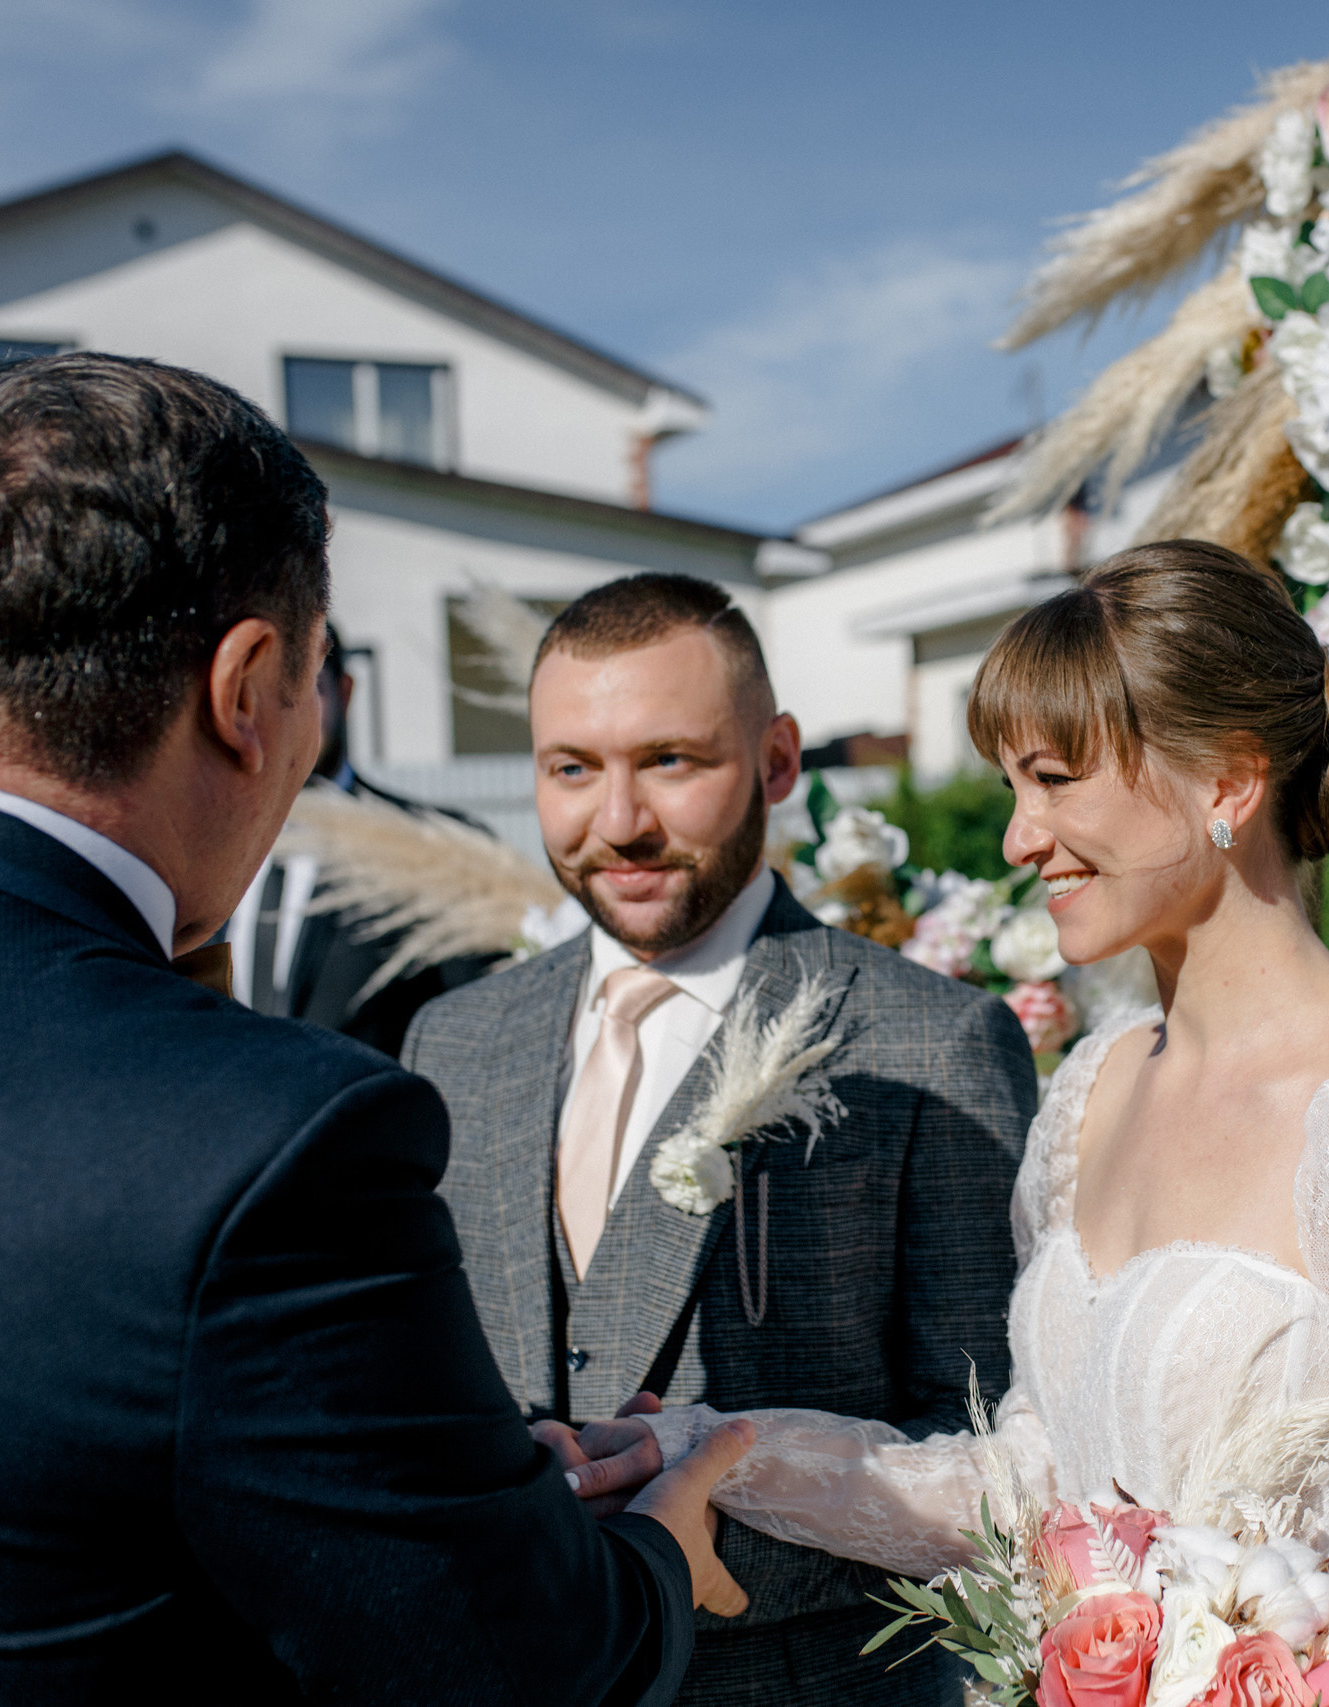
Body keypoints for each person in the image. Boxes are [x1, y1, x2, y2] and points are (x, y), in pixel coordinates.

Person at [0, 351, 748, 1704]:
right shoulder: (263, 1139)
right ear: (248, 685)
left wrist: (428, 1468)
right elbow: (515, 1665)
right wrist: (652, 1552)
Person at [578, 540, 1329, 1691]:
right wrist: (711, 1451)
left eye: (1054, 779)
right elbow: (1032, 1486)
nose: (1018, 837)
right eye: (1013, 788)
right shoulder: (1090, 1090)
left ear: (1228, 783)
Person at [402, 572, 1035, 1707]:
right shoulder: (454, 1040)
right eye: (571, 769)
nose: (619, 822)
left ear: (777, 761)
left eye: (670, 761)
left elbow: (991, 1447)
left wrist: (705, 1549)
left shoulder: (932, 1043)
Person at [225, 620, 502, 1055]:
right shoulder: (201, 852)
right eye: (257, 692)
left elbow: (480, 1039)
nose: (280, 714)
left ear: (345, 692)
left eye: (302, 687)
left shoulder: (433, 849)